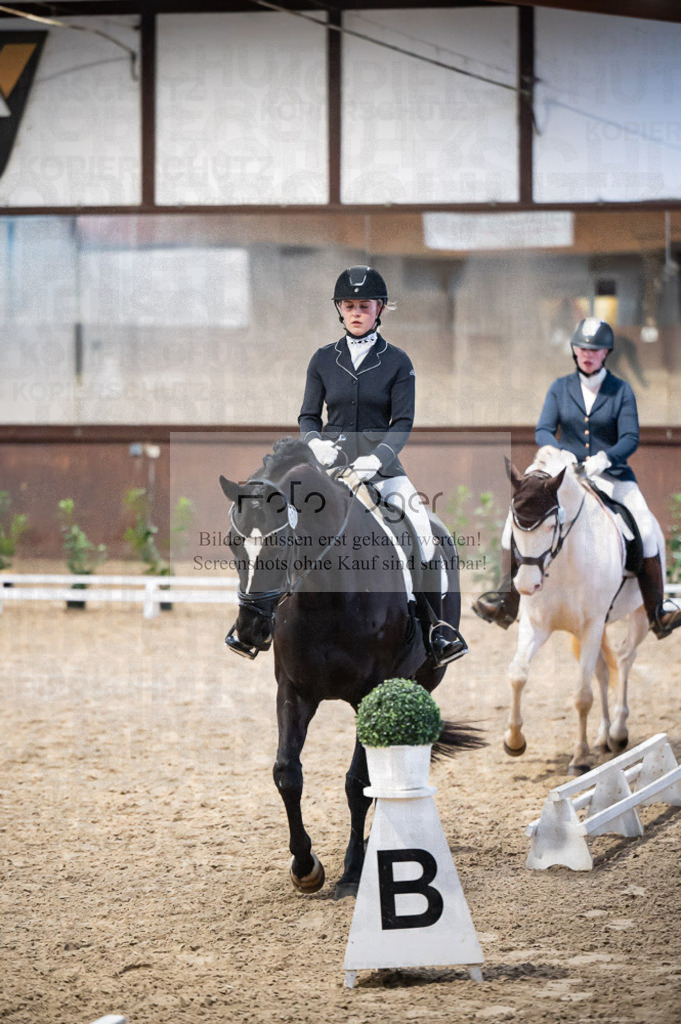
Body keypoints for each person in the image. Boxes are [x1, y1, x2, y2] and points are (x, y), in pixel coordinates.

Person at [298, 264, 466, 666]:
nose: (357, 312)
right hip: (331, 468)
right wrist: (314, 443)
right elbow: (308, 416)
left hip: (382, 468)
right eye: (349, 305)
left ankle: (435, 628)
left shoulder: (397, 362)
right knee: (288, 525)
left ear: (380, 310)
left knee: (424, 535)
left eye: (365, 305)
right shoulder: (322, 360)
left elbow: (402, 422)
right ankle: (268, 615)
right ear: (340, 309)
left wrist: (377, 459)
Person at [473, 316, 681, 639]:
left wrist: (604, 458)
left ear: (606, 352)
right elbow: (543, 428)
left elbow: (630, 437)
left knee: (644, 525)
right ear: (574, 350)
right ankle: (505, 601)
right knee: (514, 519)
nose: (587, 353)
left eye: (594, 349)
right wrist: (559, 452)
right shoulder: (560, 388)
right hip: (565, 476)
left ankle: (657, 611)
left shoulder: (620, 390)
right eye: (582, 348)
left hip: (611, 475)